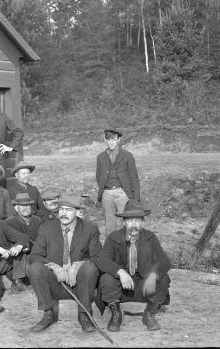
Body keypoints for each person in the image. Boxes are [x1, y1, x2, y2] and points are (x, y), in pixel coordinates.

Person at [27, 194, 102, 333]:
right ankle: (48, 313)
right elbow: (34, 256)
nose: (63, 214)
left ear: (77, 212)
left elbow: (98, 257)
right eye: (61, 209)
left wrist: (77, 265)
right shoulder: (46, 228)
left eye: (68, 210)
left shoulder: (90, 229)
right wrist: (55, 267)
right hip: (57, 283)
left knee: (90, 268)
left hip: (80, 284)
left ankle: (83, 313)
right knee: (34, 268)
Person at [96, 200, 171, 332]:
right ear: (123, 222)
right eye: (130, 221)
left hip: (143, 287)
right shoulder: (114, 237)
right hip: (121, 288)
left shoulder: (150, 237)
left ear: (142, 221)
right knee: (106, 278)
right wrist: (120, 272)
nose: (134, 225)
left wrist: (153, 275)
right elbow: (102, 260)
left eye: (137, 221)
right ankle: (116, 314)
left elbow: (164, 261)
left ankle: (149, 314)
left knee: (163, 278)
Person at [96, 127, 140, 236]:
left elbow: (134, 178)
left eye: (114, 139)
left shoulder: (127, 156)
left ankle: (126, 249)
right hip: (107, 194)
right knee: (109, 226)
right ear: (105, 140)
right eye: (109, 140)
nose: (111, 142)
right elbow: (99, 176)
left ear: (119, 140)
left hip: (122, 193)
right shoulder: (100, 157)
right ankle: (111, 250)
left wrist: (136, 199)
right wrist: (104, 190)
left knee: (125, 224)